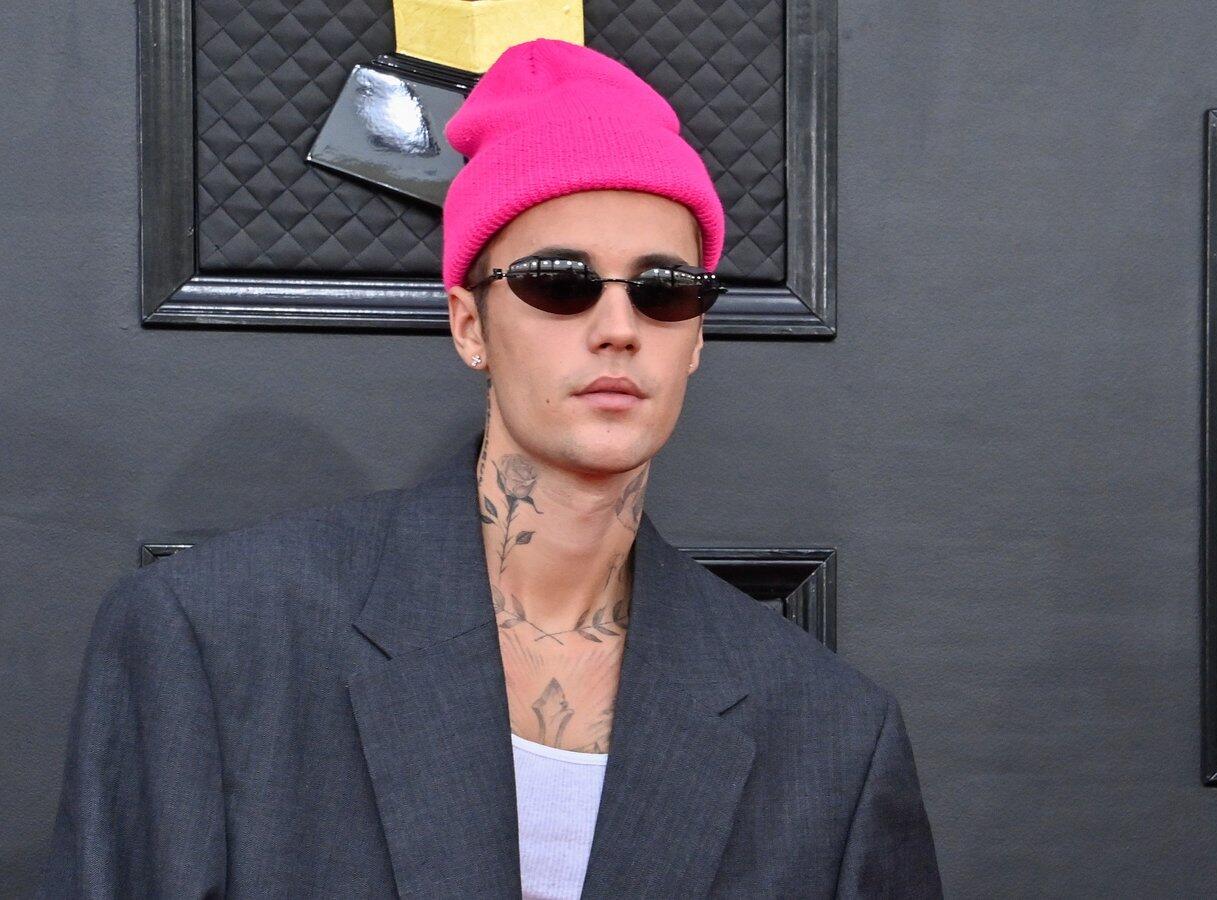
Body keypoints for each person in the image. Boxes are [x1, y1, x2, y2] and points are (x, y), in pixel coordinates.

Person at [33, 38, 942, 898]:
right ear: (470, 324)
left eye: (664, 291)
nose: (618, 327)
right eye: (559, 281)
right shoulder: (214, 642)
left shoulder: (828, 732)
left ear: (697, 335)